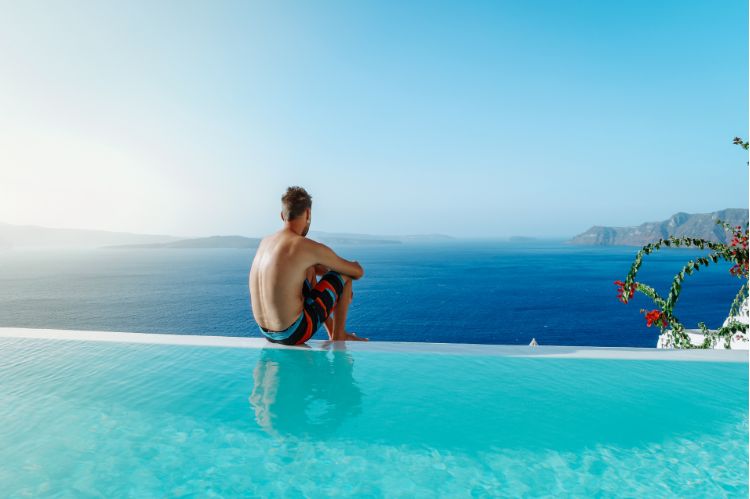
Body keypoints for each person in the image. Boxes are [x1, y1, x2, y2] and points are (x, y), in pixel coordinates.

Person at [249, 186, 367, 344]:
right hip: (293, 333)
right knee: (344, 275)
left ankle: (333, 331)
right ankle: (339, 337)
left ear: (282, 215)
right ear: (308, 213)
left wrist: (320, 271)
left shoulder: (265, 242)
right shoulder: (305, 246)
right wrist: (343, 280)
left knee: (309, 268)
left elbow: (293, 270)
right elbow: (357, 272)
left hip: (267, 333)